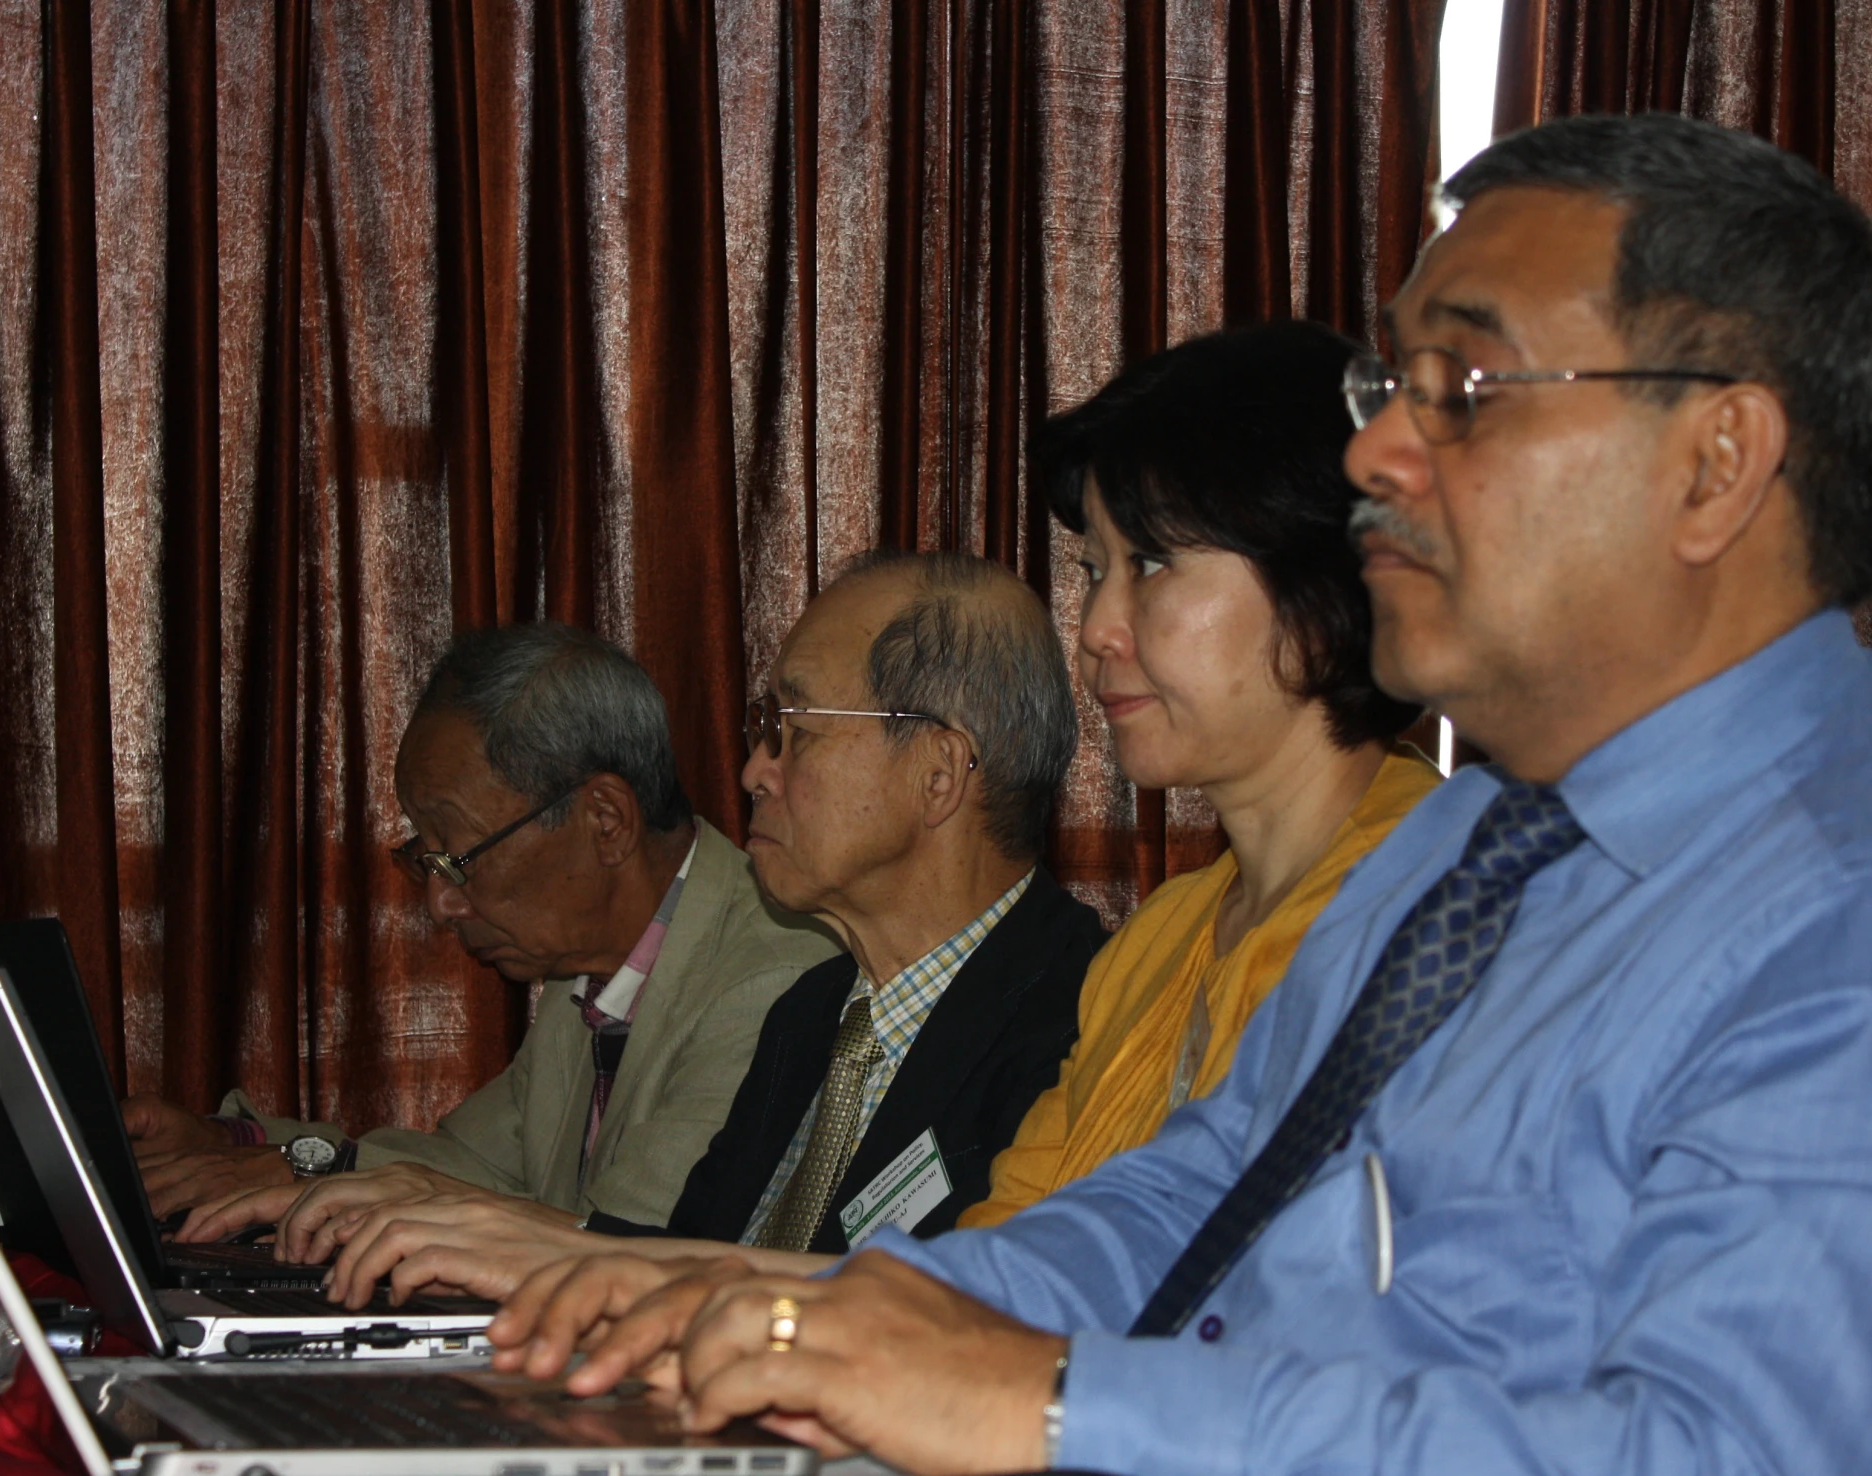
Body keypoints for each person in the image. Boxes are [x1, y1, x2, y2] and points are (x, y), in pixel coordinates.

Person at [487, 113, 1872, 1476]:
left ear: (1713, 461)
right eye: (1381, 394)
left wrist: (1053, 1400)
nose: (1378, 456)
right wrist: (820, 1312)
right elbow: (1203, 1187)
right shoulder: (1476, 844)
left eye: (1457, 391)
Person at [189, 551, 1106, 1302]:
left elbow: (939, 1329)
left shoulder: (1078, 1020)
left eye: (793, 729)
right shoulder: (815, 1014)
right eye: (761, 728)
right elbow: (689, 1255)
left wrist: (548, 1244)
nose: (753, 771)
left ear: (940, 773)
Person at [961, 318, 1438, 1229]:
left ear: (1323, 580)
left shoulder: (1434, 911)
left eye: (1151, 564)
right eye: (1094, 571)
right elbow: (1008, 1247)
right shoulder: (1159, 938)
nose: (1098, 626)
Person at [138, 622, 838, 1228]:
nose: (440, 901)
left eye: (459, 855)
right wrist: (233, 1142)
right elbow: (471, 1165)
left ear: (605, 820)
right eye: (427, 858)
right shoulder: (595, 968)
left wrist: (303, 1180)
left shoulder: (772, 980)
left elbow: (622, 1246)